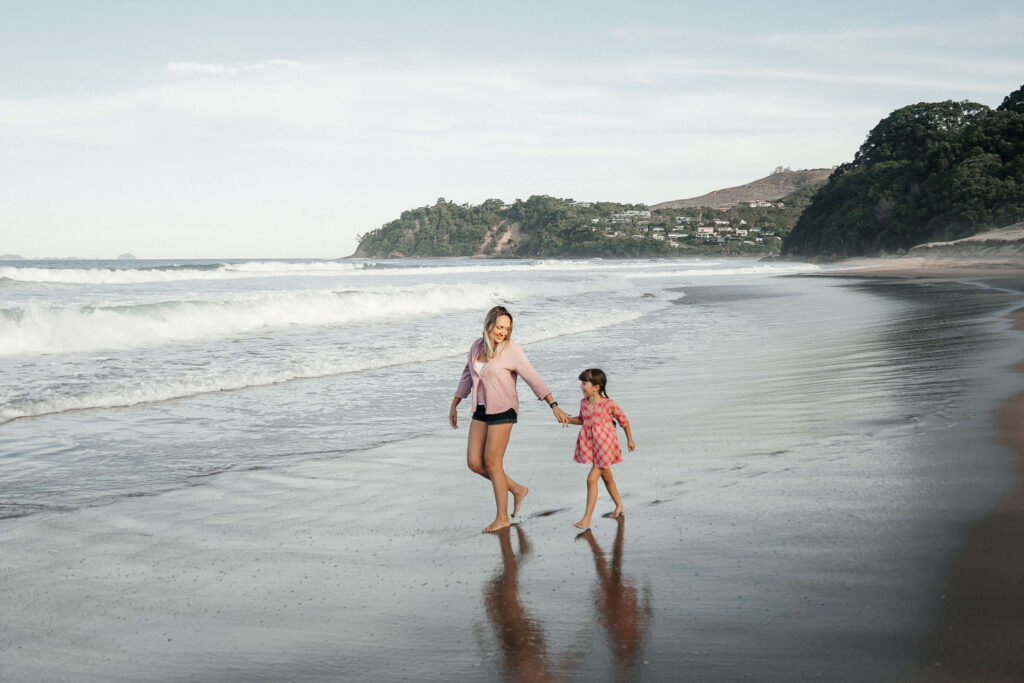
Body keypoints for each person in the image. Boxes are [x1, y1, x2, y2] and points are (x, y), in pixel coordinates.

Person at [450, 306, 571, 533]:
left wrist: (553, 404)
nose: (503, 332)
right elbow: (467, 375)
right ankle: (516, 489)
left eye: (507, 328)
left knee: (493, 463)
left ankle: (502, 518)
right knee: (474, 463)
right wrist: (456, 402)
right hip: (481, 409)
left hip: (504, 409)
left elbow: (532, 377)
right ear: (489, 325)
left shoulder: (513, 350)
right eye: (499, 327)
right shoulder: (476, 347)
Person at [567, 368, 635, 529]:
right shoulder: (584, 403)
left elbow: (623, 421)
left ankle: (587, 518)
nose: (581, 386)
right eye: (581, 383)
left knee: (591, 480)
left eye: (584, 383)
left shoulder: (607, 404)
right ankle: (619, 505)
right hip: (592, 445)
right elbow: (582, 420)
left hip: (606, 444)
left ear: (596, 387)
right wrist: (566, 419)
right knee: (607, 477)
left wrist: (630, 440)